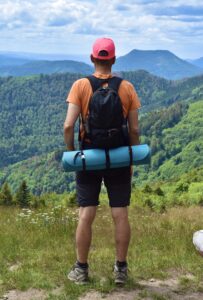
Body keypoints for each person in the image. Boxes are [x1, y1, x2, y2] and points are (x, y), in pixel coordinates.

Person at [63, 37, 141, 285]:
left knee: (86, 213)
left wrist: (74, 153)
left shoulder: (80, 85)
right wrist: (131, 157)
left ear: (92, 58)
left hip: (88, 156)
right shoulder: (127, 87)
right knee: (120, 213)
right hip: (118, 156)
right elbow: (135, 131)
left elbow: (68, 126)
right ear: (114, 59)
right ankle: (120, 270)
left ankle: (81, 270)